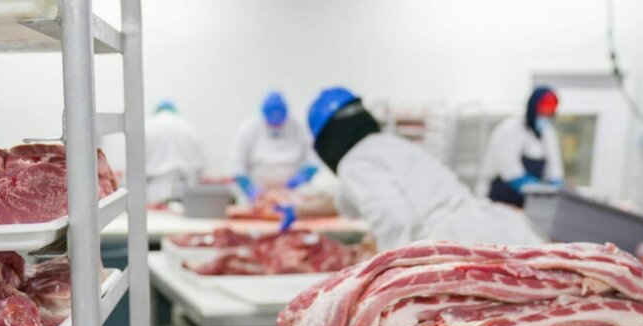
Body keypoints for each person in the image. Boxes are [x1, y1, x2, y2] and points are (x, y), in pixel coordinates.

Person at [307, 86, 542, 250]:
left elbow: (395, 220)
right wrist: (299, 211)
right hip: (493, 226)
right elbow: (346, 201)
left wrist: (388, 280)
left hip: (451, 244)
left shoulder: (354, 163)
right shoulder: (389, 144)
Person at [475, 87, 565, 207]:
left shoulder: (548, 133)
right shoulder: (509, 130)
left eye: (550, 113)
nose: (546, 117)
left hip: (527, 204)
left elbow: (555, 170)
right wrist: (540, 190)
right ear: (533, 109)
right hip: (496, 202)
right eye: (544, 112)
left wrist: (557, 189)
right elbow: (512, 174)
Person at [230, 91, 319, 201]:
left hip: (292, 195)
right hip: (257, 196)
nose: (276, 123)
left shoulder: (299, 127)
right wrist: (250, 189)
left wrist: (303, 176)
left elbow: (314, 157)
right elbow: (236, 164)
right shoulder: (248, 128)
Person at [144, 100, 205, 204]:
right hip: (185, 191)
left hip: (153, 191)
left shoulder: (146, 126)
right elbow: (199, 166)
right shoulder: (188, 127)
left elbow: (134, 166)